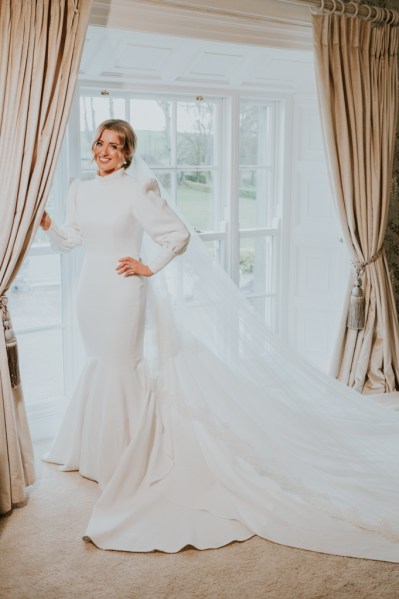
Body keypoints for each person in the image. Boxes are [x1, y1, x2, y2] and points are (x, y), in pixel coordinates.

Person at [41, 119, 399, 561]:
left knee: (120, 367)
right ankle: (91, 451)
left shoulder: (138, 189)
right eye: (99, 142)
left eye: (115, 146)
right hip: (89, 293)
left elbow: (177, 235)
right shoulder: (80, 188)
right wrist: (49, 225)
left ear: (127, 153)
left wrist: (148, 266)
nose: (104, 151)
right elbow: (72, 239)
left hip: (121, 294)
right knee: (99, 363)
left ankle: (125, 458)